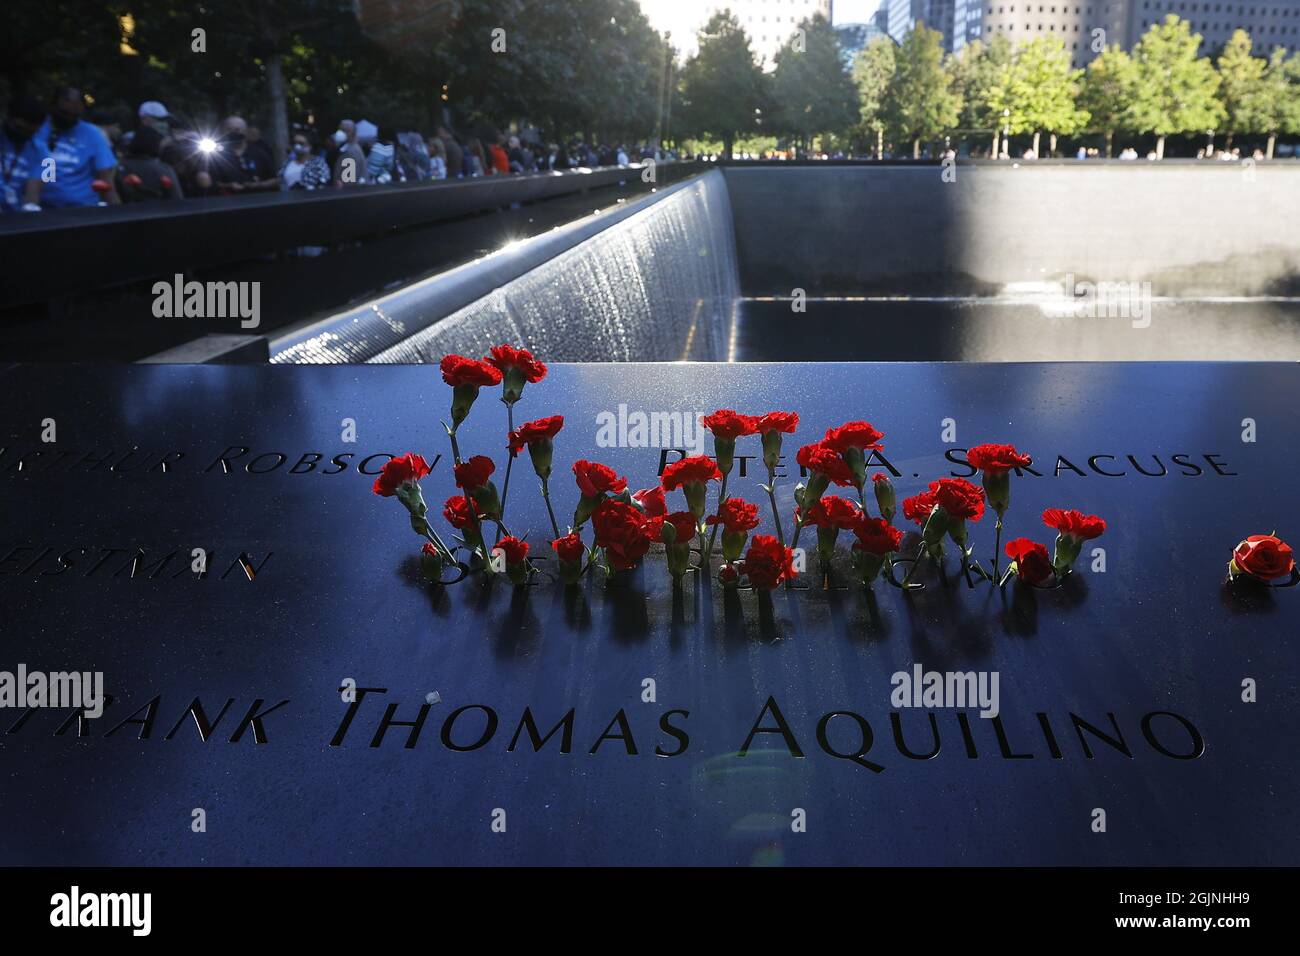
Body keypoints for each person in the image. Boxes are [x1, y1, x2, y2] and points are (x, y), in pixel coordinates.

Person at [19, 86, 120, 209]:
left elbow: (106, 178)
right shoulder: (36, 128)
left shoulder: (92, 134)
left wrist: (117, 211)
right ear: (53, 106)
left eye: (74, 115)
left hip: (83, 209)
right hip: (42, 209)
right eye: (64, 112)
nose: (68, 118)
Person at [207, 115, 278, 194]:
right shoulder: (216, 156)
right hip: (227, 202)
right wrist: (228, 186)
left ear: (245, 131)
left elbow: (274, 180)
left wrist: (259, 185)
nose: (234, 132)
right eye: (229, 129)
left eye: (237, 129)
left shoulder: (259, 153)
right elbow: (210, 182)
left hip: (258, 200)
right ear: (223, 131)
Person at [116, 125, 183, 202]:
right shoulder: (163, 169)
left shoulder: (119, 166)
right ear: (155, 145)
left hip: (125, 211)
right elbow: (176, 198)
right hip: (160, 211)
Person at [1, 95, 43, 213]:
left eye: (31, 132)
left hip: (15, 218)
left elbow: (32, 196)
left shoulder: (40, 152)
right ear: (7, 117)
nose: (23, 134)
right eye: (19, 128)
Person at [331, 119, 366, 185]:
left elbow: (348, 183)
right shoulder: (347, 147)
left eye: (343, 130)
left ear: (352, 132)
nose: (339, 133)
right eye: (340, 130)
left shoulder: (351, 152)